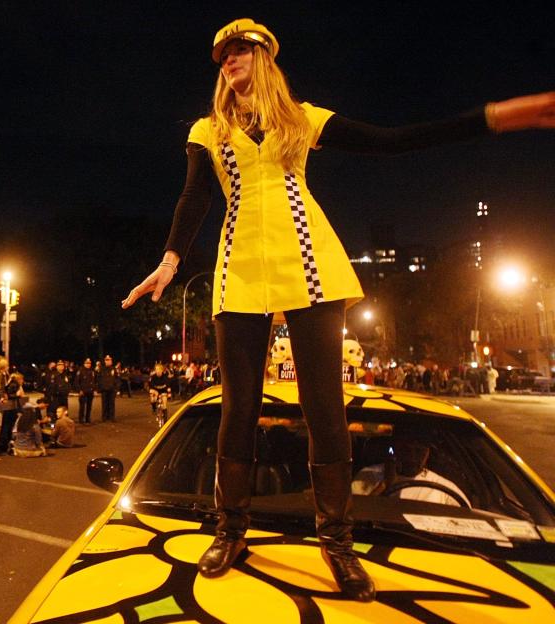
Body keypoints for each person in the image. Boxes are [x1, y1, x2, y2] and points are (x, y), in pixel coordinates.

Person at [121, 17, 554, 601]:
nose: (229, 60)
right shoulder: (208, 129)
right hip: (239, 273)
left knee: (324, 408)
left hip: (309, 262)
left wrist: (493, 117)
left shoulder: (301, 119)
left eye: (241, 49)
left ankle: (337, 542)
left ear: (265, 56)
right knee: (237, 408)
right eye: (222, 54)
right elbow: (194, 195)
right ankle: (230, 529)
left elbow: (393, 140)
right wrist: (171, 262)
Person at [75, 358, 96, 425]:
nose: (88, 364)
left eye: (89, 363)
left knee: (89, 407)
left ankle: (87, 419)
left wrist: (94, 389)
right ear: (84, 364)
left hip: (90, 391)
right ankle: (81, 420)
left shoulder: (92, 371)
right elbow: (76, 382)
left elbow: (94, 381)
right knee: (82, 407)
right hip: (83, 392)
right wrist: (79, 390)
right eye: (87, 363)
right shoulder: (80, 371)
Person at [97, 355, 117, 422]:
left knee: (112, 404)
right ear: (105, 361)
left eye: (110, 360)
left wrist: (116, 388)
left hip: (112, 389)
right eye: (107, 360)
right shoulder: (102, 369)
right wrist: (100, 388)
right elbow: (98, 379)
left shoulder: (113, 369)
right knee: (104, 404)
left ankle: (112, 417)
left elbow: (117, 379)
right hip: (104, 389)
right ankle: (104, 417)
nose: (109, 361)